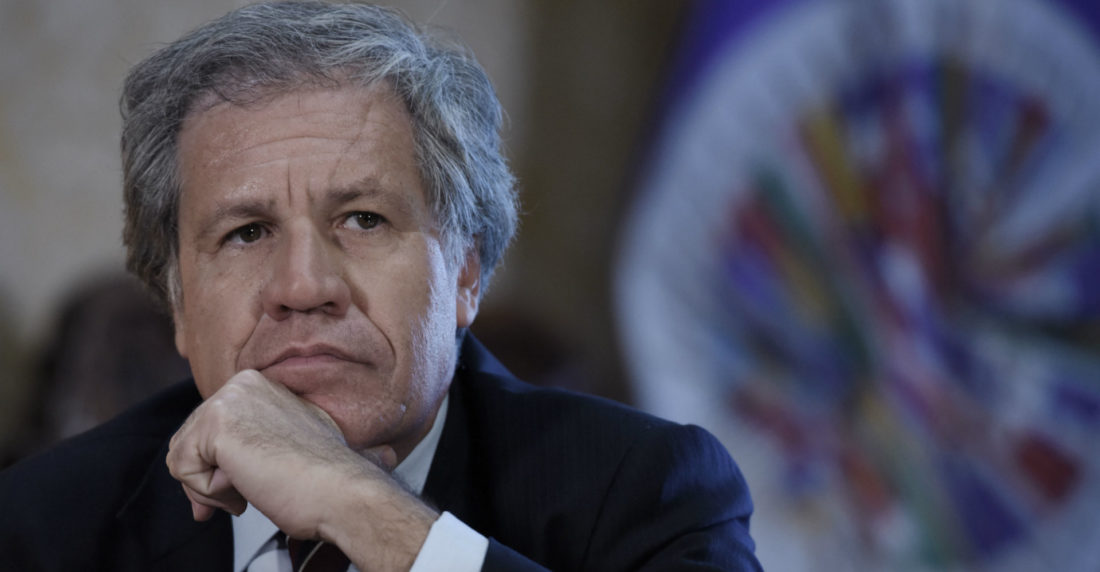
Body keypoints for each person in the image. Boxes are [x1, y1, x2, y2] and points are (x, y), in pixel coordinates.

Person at [0, 2, 761, 570]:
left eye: (363, 220)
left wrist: (362, 508)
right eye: (247, 233)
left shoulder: (643, 490)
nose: (304, 286)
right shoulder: (43, 525)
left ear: (465, 272)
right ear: (178, 302)